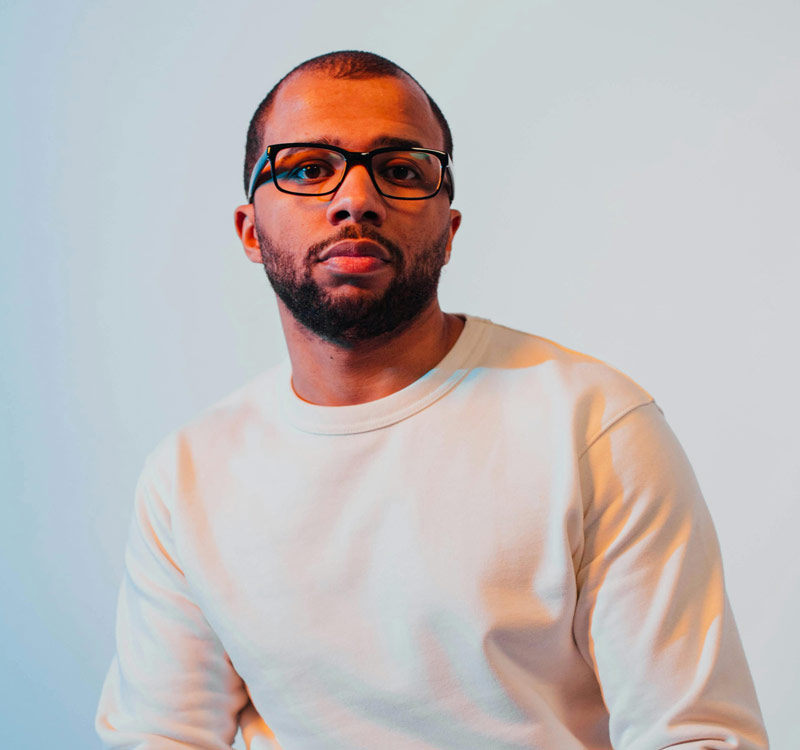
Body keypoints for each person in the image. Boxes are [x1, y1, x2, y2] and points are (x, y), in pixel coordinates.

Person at [96, 50, 768, 750]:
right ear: (249, 232)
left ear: (448, 233)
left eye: (400, 170)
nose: (355, 199)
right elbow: (160, 736)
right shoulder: (187, 478)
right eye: (309, 168)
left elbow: (694, 734)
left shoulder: (593, 426)